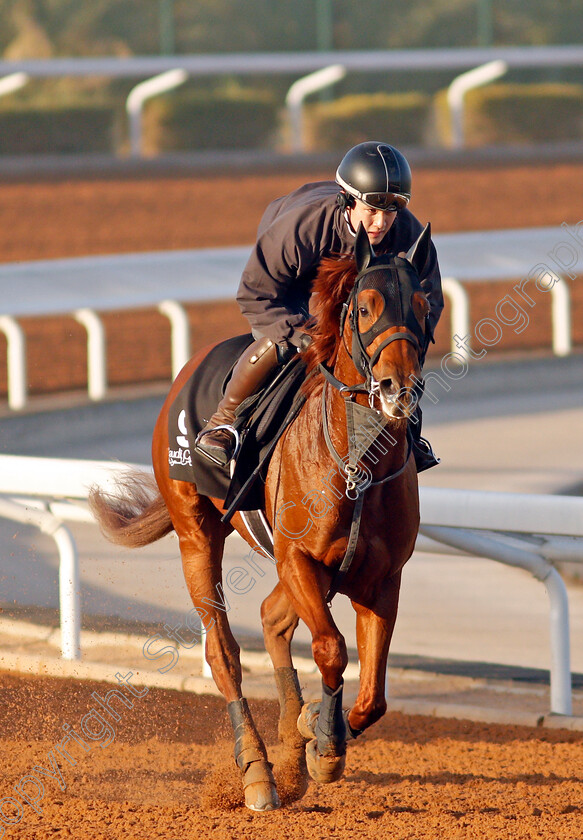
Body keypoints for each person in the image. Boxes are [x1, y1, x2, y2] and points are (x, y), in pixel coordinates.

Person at [194, 141, 444, 472]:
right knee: (282, 345)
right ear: (348, 201)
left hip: (368, 302)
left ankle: (410, 433)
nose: (382, 224)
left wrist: (401, 343)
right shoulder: (304, 227)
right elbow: (255, 294)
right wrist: (297, 334)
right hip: (292, 291)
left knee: (395, 355)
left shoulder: (409, 234)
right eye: (372, 211)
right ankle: (224, 424)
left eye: (390, 212)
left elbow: (428, 300)